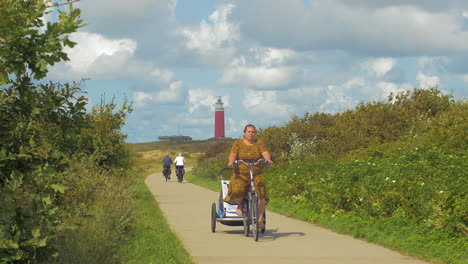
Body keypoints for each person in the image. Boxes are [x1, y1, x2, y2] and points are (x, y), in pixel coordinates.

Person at [224, 124, 273, 229]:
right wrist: (231, 162)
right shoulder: (238, 143)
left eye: (253, 132)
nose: (251, 134)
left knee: (261, 192)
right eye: (249, 132)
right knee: (237, 188)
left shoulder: (259, 143)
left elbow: (265, 153)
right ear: (244, 133)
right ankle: (240, 206)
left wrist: (268, 159)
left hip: (256, 172)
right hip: (240, 172)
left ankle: (259, 218)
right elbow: (233, 154)